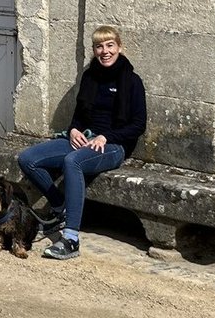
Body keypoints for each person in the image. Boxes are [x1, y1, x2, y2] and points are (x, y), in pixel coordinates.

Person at [17, 25, 147, 260]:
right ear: (94, 50)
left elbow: (138, 125)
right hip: (85, 138)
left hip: (112, 145)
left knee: (72, 161)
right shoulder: (90, 77)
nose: (104, 51)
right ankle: (60, 208)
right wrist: (74, 130)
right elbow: (78, 115)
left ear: (119, 47)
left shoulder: (132, 81)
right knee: (28, 159)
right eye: (99, 46)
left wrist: (106, 137)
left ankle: (71, 239)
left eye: (110, 46)